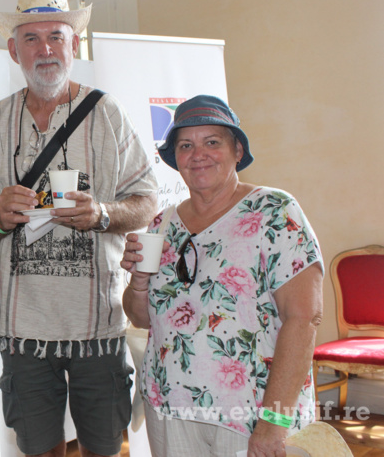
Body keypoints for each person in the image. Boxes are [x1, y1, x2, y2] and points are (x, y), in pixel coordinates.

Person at [0, 0, 158, 456]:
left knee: (106, 448)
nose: (44, 49)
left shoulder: (108, 114)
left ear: (74, 44)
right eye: (31, 38)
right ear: (14, 51)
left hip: (98, 327)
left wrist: (103, 214)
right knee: (39, 451)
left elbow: (146, 201)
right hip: (22, 327)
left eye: (56, 36)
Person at [121, 95, 323, 457]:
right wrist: (138, 281)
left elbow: (304, 318)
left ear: (237, 150)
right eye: (186, 145)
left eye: (212, 141)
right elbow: (142, 317)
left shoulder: (274, 211)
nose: (198, 154)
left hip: (249, 413)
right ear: (176, 159)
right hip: (169, 406)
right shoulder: (162, 223)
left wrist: (273, 422)